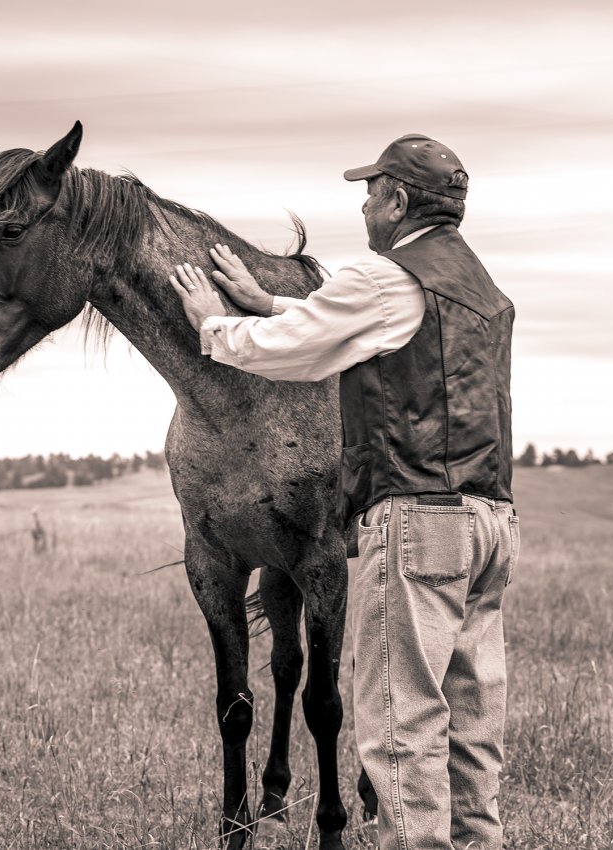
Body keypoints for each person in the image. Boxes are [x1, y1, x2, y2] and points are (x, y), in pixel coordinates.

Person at [168, 134, 519, 850]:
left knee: (402, 722)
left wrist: (214, 322)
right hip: (492, 520)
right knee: (472, 724)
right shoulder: (482, 288)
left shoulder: (386, 276)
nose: (363, 205)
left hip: (422, 519)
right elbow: (344, 331)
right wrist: (269, 300)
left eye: (370, 191)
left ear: (396, 199)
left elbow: (292, 352)